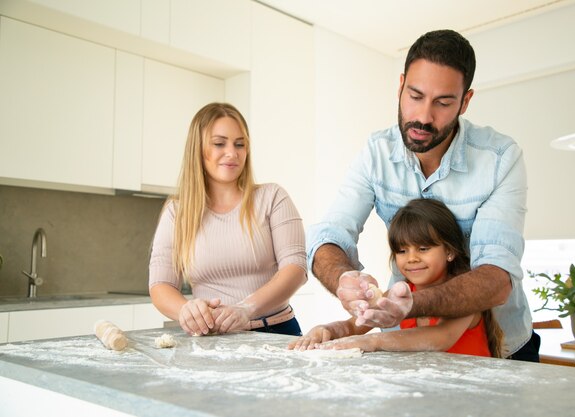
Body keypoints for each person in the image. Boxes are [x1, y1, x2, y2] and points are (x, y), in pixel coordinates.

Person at [307, 29, 538, 361]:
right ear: (400, 85)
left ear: (465, 101)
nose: (423, 117)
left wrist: (408, 305)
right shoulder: (376, 153)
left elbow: (495, 280)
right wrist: (344, 281)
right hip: (405, 342)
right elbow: (329, 236)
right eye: (415, 96)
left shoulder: (499, 159)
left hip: (501, 349)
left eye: (443, 103)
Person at [149, 102, 307, 337]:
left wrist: (246, 308)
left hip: (275, 332)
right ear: (198, 149)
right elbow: (161, 286)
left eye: (240, 144)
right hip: (210, 337)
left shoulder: (272, 197)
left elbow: (296, 268)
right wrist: (187, 310)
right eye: (219, 143)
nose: (232, 153)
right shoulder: (177, 212)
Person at [291, 199, 503, 357]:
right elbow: (356, 325)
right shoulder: (400, 294)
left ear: (449, 251)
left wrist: (373, 341)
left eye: (423, 248)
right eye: (402, 251)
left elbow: (441, 337)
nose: (411, 258)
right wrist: (329, 330)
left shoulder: (465, 296)